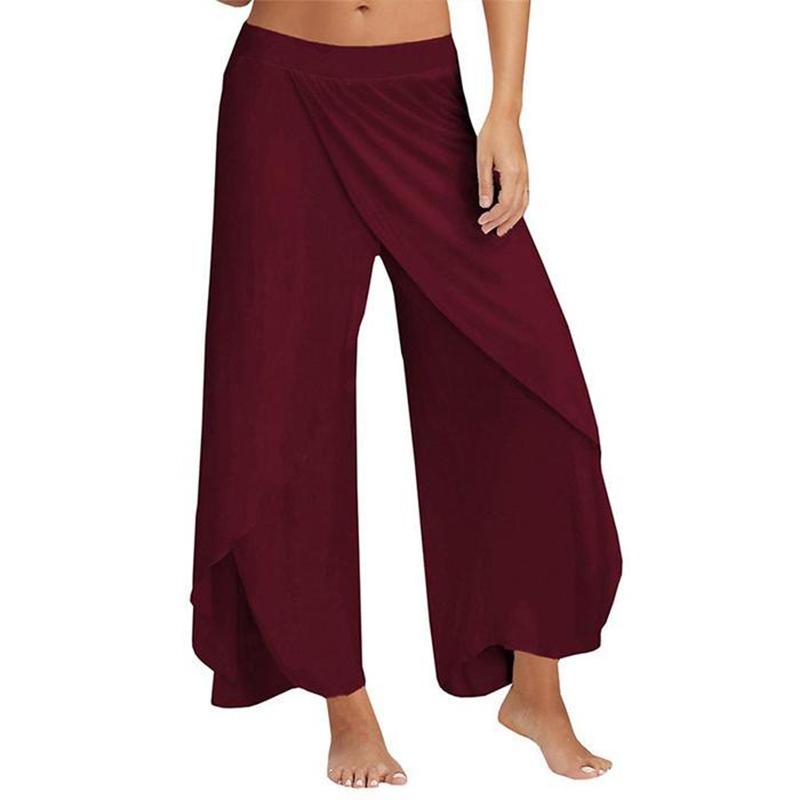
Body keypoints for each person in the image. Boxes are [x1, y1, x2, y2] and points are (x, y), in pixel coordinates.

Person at [192, 0, 622, 787]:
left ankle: (537, 690)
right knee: (285, 403)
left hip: (422, 91)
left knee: (528, 382)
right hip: (282, 89)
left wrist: (505, 107)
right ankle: (346, 707)